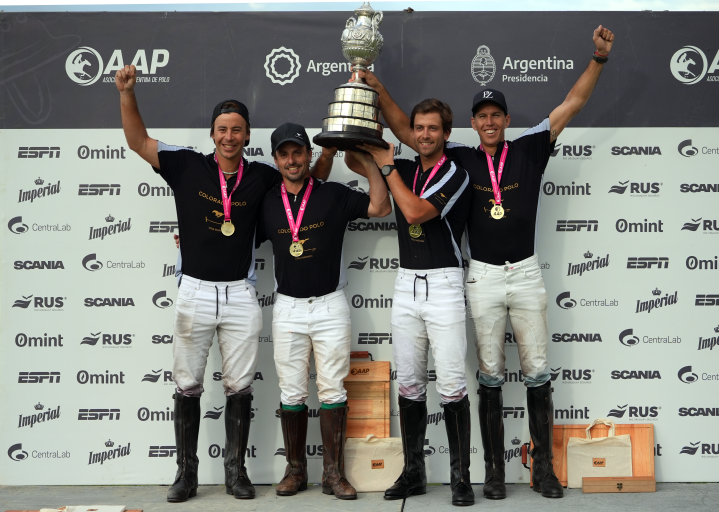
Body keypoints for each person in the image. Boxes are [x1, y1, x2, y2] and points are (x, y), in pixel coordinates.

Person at [350, 25, 615, 500]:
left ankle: (544, 470)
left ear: (507, 119)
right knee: (489, 374)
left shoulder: (531, 146)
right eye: (482, 116)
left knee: (537, 371)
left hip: (526, 271)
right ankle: (493, 473)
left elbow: (571, 103)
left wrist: (598, 59)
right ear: (472, 124)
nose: (489, 122)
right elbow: (406, 130)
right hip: (483, 276)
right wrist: (377, 87)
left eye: (496, 115)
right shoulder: (460, 158)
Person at [115, 64, 333, 503]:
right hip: (194, 290)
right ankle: (186, 475)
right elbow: (138, 141)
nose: (229, 137)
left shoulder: (264, 176)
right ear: (212, 134)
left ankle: (236, 473)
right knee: (187, 385)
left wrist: (330, 146)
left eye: (237, 130)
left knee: (240, 387)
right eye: (222, 129)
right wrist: (127, 93)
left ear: (247, 135)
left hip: (239, 293)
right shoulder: (187, 165)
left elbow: (309, 183)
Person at [345, 99, 474, 507]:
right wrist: (367, 139)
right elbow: (353, 160)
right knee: (410, 385)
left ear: (446, 134)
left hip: (444, 283)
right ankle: (414, 473)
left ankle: (461, 478)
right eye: (418, 128)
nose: (424, 135)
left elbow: (415, 212)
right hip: (406, 284)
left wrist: (387, 167)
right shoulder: (404, 167)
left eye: (433, 128)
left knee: (451, 386)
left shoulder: (455, 173)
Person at [256, 123, 391, 500]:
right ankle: (295, 470)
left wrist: (371, 162)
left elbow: (380, 207)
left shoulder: (332, 193)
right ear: (276, 160)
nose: (291, 160)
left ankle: (333, 474)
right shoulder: (267, 202)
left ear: (309, 154)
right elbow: (234, 237)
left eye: (297, 152)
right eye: (284, 154)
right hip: (288, 308)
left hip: (330, 305)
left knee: (332, 389)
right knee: (291, 391)